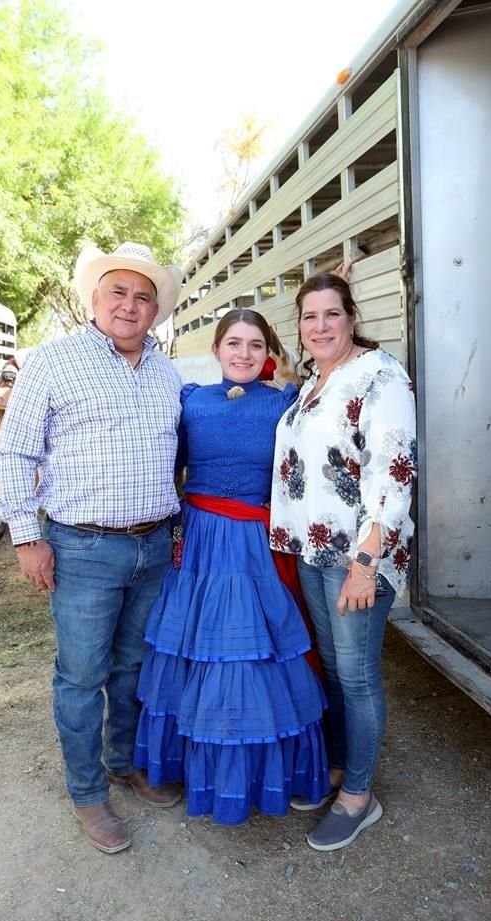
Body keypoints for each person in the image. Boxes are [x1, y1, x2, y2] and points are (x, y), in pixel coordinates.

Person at [0, 241, 185, 855]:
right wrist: (27, 537)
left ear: (155, 310)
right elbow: (13, 453)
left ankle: (123, 762)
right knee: (81, 676)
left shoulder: (167, 372)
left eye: (142, 297)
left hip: (153, 548)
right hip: (82, 549)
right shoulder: (53, 362)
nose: (129, 305)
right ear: (95, 300)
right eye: (118, 293)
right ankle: (87, 792)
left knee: (133, 668)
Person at [134, 309, 330, 826]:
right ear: (217, 349)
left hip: (256, 542)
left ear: (270, 352)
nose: (244, 354)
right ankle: (192, 764)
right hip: (198, 541)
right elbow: (163, 466)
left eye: (255, 345)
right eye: (234, 343)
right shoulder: (191, 401)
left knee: (251, 652)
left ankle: (267, 770)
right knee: (198, 648)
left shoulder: (286, 403)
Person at [270, 273, 416, 851]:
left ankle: (360, 796)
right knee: (333, 671)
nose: (320, 326)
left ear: (351, 317)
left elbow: (393, 469)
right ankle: (336, 770)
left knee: (356, 678)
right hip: (312, 549)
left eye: (332, 314)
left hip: (355, 555)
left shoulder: (381, 375)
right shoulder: (312, 383)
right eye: (309, 316)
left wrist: (364, 562)